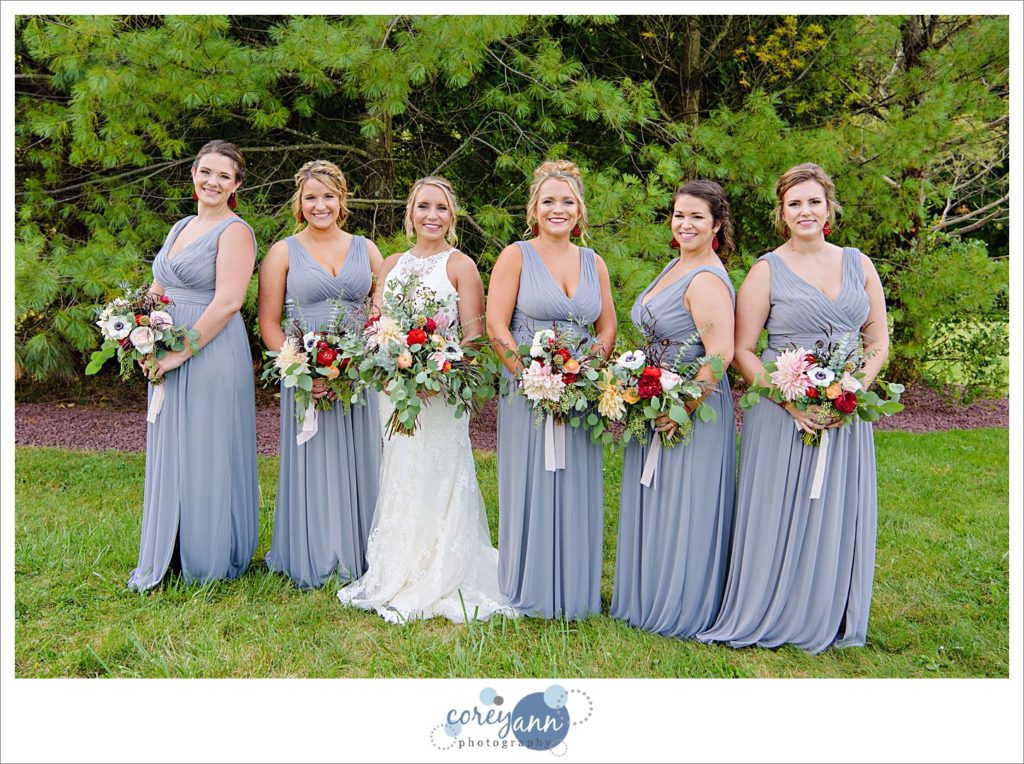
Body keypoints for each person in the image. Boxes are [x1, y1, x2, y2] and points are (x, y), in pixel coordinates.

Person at [697, 163, 890, 654]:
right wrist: (790, 401)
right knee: (777, 511)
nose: (805, 211)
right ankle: (772, 607)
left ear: (829, 209)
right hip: (781, 412)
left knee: (835, 510)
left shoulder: (859, 265)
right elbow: (742, 351)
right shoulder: (766, 270)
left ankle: (828, 610)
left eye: (814, 202)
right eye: (795, 203)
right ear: (781, 213)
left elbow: (877, 340)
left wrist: (851, 392)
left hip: (843, 411)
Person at [337, 176, 511, 623]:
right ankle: (398, 566)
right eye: (423, 207)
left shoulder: (461, 265)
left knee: (440, 470)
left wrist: (439, 374)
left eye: (441, 208)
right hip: (394, 390)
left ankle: (441, 570)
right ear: (410, 213)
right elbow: (377, 324)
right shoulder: (391, 263)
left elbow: (473, 337)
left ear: (452, 217)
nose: (432, 216)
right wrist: (387, 364)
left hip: (440, 392)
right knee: (401, 470)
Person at [486, 160, 617, 620]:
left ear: (579, 210)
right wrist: (530, 376)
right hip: (528, 389)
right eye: (548, 201)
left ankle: (576, 589)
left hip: (579, 390)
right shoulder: (516, 255)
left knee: (577, 482)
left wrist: (586, 370)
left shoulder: (593, 262)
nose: (557, 209)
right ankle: (530, 585)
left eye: (567, 201)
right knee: (532, 481)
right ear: (534, 209)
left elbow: (607, 326)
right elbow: (496, 325)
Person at [128, 140, 259, 591]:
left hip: (210, 350)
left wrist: (180, 352)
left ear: (236, 185)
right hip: (165, 346)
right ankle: (171, 550)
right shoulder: (181, 225)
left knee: (207, 447)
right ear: (193, 175)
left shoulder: (236, 231)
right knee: (174, 448)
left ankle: (208, 555)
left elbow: (228, 302)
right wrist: (141, 337)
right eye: (206, 172)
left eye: (224, 176)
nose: (212, 182)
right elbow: (157, 288)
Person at [611, 180, 737, 638]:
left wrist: (682, 406)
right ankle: (647, 594)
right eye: (679, 215)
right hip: (655, 398)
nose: (685, 224)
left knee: (685, 503)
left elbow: (720, 352)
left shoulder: (705, 279)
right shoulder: (677, 264)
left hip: (691, 409)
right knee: (659, 499)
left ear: (716, 226)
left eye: (697, 217)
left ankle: (681, 607)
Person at [258, 160, 383, 589]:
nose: (320, 205)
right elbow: (269, 323)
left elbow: (381, 312)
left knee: (364, 457)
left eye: (328, 196)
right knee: (316, 458)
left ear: (341, 200)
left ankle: (365, 553)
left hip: (359, 374)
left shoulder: (366, 249)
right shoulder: (282, 252)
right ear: (300, 202)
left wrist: (365, 357)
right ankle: (316, 552)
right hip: (305, 374)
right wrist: (299, 369)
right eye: (311, 197)